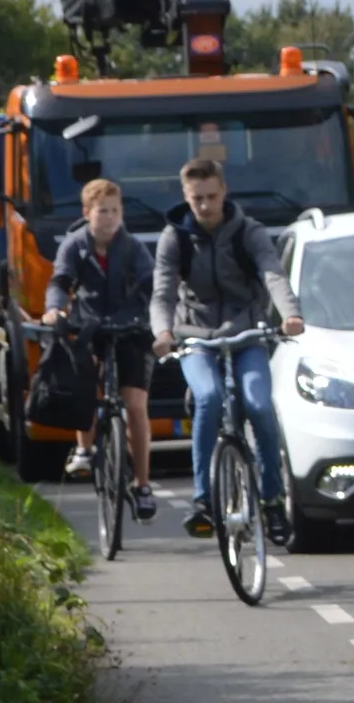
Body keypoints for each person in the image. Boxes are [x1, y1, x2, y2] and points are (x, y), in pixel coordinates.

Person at [153, 155, 302, 540]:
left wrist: (289, 314)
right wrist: (163, 331)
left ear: (224, 193)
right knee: (208, 397)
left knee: (258, 405)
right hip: (196, 336)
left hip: (245, 333)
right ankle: (203, 500)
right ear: (186, 197)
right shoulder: (175, 237)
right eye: (196, 198)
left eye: (211, 196)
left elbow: (273, 272)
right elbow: (163, 292)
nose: (204, 205)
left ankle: (271, 499)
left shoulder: (247, 231)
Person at [44, 177, 157, 519]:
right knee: (83, 383)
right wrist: (55, 309)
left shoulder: (133, 247)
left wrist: (161, 318)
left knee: (136, 405)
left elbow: (152, 285)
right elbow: (60, 281)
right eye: (102, 211)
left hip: (131, 326)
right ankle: (84, 449)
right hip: (89, 325)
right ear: (87, 213)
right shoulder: (74, 246)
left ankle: (142, 485)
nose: (109, 218)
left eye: (114, 211)